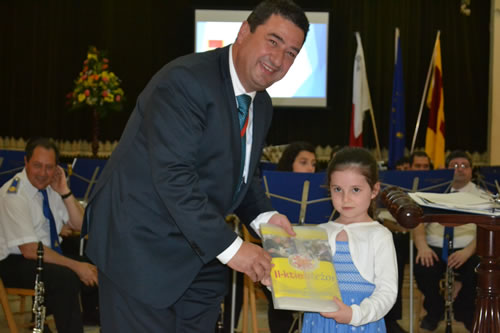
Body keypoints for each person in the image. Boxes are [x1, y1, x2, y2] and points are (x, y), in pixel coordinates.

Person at [83, 1, 309, 332]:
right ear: (244, 32)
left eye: (291, 53)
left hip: (200, 254)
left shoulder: (262, 104)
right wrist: (235, 250)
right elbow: (174, 178)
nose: (278, 60)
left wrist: (265, 218)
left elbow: (242, 175)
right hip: (140, 245)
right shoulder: (185, 81)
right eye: (273, 41)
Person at [0, 137, 99, 333]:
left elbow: (81, 225)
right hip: (13, 262)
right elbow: (29, 250)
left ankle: (92, 317)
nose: (43, 174)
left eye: (49, 167)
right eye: (37, 166)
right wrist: (77, 267)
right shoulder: (13, 195)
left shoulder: (51, 187)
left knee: (96, 260)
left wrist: (64, 191)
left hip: (44, 254)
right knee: (66, 277)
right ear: (26, 162)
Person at [302, 147, 398, 332]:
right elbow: (304, 284)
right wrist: (276, 283)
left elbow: (387, 292)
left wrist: (355, 315)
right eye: (337, 189)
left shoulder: (380, 235)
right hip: (319, 323)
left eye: (355, 190)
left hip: (361, 324)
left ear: (374, 190)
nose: (345, 199)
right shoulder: (320, 232)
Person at [413, 150, 482, 331]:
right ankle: (434, 310)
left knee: (480, 271)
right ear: (446, 169)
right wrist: (422, 246)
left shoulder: (482, 195)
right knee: (422, 268)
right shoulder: (434, 192)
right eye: (454, 166)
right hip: (434, 246)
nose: (459, 169)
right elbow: (418, 223)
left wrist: (467, 252)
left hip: (468, 248)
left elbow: (485, 229)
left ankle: (464, 309)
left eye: (464, 166)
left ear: (471, 170)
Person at [261, 141, 317, 332]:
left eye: (313, 163)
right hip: (278, 251)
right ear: (289, 164)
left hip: (310, 251)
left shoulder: (321, 189)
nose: (310, 168)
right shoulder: (271, 189)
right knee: (280, 292)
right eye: (303, 162)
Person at [380, 151, 432, 333]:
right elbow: (382, 216)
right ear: (409, 167)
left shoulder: (433, 186)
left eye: (426, 167)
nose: (422, 170)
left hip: (421, 239)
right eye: (418, 166)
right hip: (397, 234)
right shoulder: (396, 185)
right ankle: (390, 318)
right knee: (394, 248)